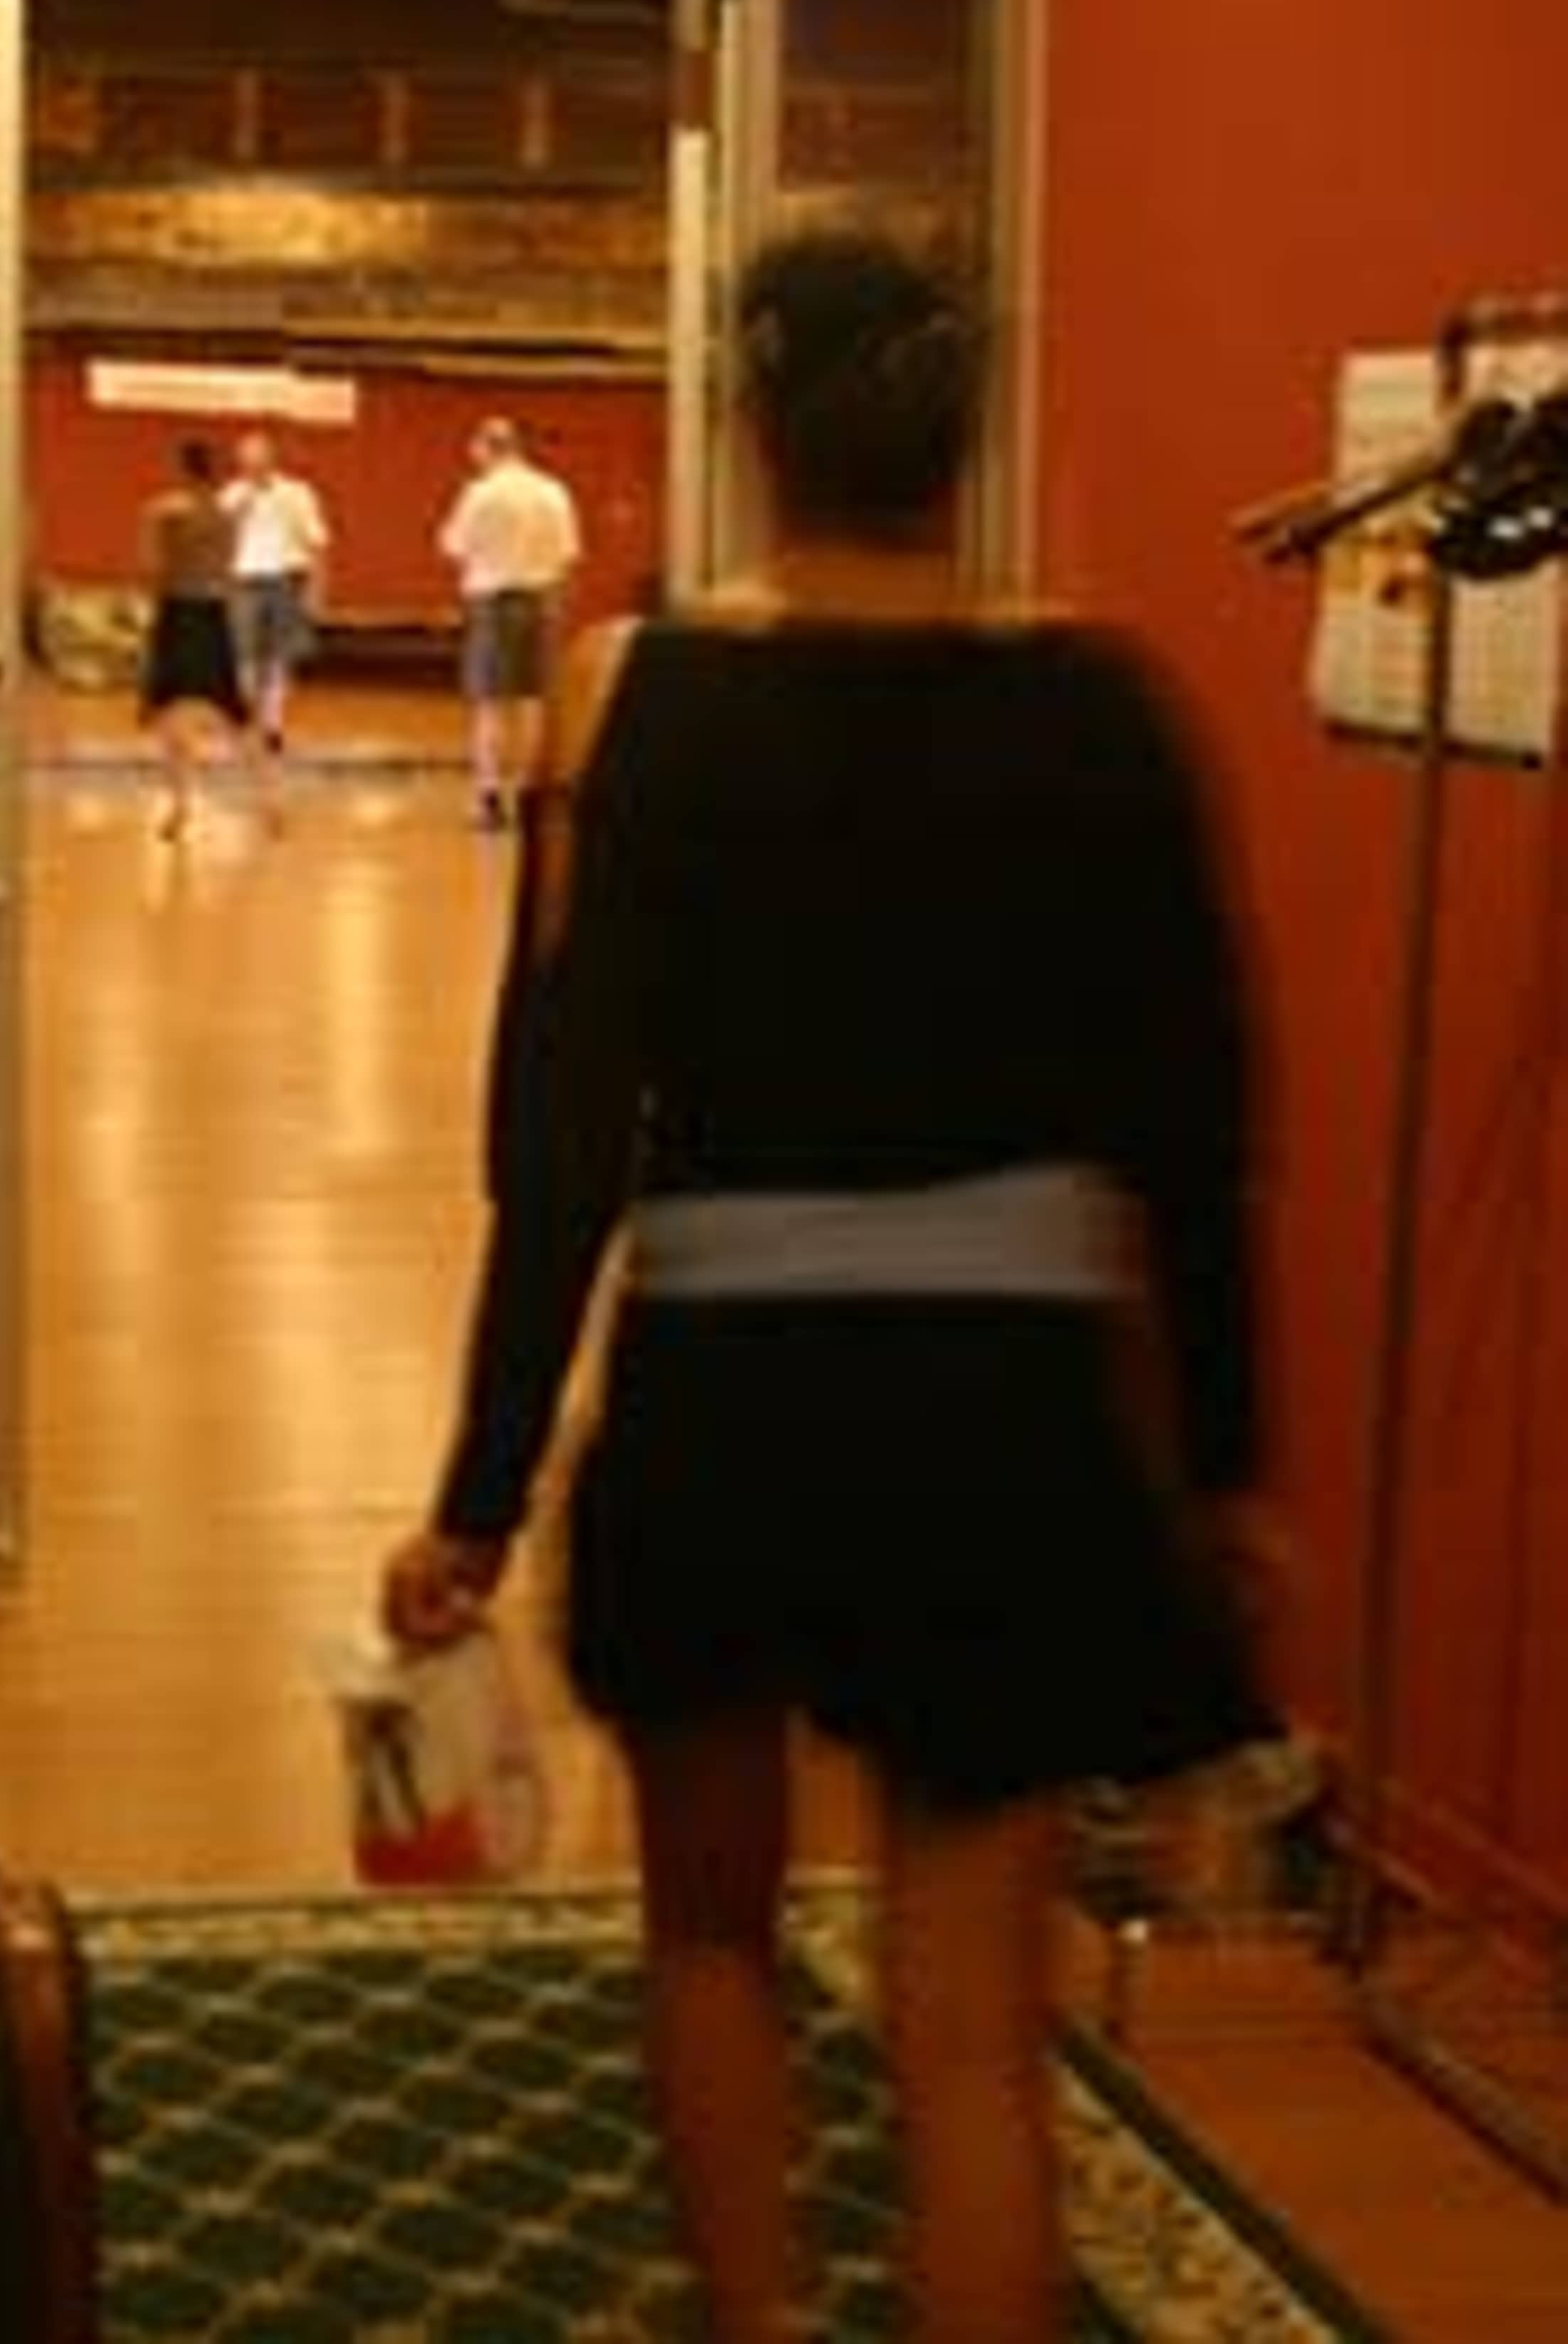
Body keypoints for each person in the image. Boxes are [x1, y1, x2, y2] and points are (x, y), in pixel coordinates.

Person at [381, 224, 1277, 2344]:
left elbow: (563, 1140)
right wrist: (1224, 1473)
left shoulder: (641, 694)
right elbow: (1195, 1143)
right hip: (1006, 1409)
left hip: (725, 1397)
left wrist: (478, 1488)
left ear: (749, 427)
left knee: (706, 1937)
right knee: (967, 2031)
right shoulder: (1103, 709)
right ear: (962, 438)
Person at [438, 416, 580, 827]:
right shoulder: (554, 492)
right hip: (540, 601)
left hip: (494, 603)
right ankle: (529, 795)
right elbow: (568, 558)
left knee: (490, 705)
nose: (474, 458)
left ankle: (489, 797)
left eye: (476, 450)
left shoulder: (480, 493)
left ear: (489, 448)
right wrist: (559, 608)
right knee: (533, 703)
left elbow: (453, 546)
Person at [138, 437, 251, 840]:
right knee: (233, 710)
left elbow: (150, 566)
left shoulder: (162, 512)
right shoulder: (228, 516)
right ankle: (268, 800)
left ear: (181, 469)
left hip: (177, 612)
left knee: (172, 714)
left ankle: (180, 806)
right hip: (216, 612)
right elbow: (231, 566)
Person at [222, 427, 331, 765]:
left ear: (272, 458)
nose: (253, 464)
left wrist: (317, 588)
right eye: (247, 459)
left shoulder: (298, 493)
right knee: (245, 658)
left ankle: (274, 726)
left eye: (259, 457)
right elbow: (220, 542)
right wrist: (243, 504)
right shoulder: (231, 495)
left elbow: (317, 543)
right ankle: (248, 720)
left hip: (286, 580)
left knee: (280, 658)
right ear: (240, 463)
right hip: (243, 583)